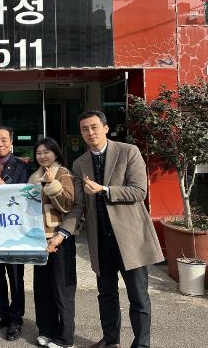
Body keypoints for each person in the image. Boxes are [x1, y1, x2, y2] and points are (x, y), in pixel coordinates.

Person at [61, 110, 163, 348]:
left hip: (130, 239)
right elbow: (79, 205)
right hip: (101, 240)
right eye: (85, 129)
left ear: (106, 128)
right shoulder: (80, 163)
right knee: (106, 295)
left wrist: (104, 190)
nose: (90, 132)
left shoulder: (129, 151)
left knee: (138, 296)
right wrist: (63, 233)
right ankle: (110, 341)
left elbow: (139, 191)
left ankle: (141, 345)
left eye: (94, 127)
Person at [0, 126, 30, 341]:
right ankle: (1, 314)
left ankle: (16, 319)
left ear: (11, 142)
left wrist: (5, 189)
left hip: (14, 231)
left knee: (15, 276)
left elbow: (28, 197)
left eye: (3, 139)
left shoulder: (23, 166)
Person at [29, 137, 76, 348]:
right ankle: (46, 331)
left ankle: (65, 339)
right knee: (42, 289)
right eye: (38, 153)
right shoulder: (33, 177)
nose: (42, 156)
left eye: (46, 152)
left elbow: (68, 205)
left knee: (62, 290)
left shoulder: (63, 174)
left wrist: (51, 184)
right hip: (39, 240)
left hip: (59, 240)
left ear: (56, 153)